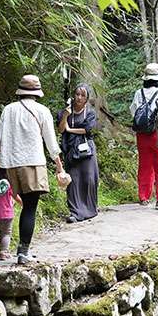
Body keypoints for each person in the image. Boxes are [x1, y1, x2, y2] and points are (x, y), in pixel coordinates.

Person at [0, 74, 66, 264]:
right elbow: (50, 141)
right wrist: (59, 166)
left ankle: (20, 249)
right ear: (37, 93)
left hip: (11, 165)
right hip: (32, 162)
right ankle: (23, 251)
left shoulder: (8, 110)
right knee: (30, 207)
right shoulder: (41, 110)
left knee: (23, 205)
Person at [58, 83, 99, 222]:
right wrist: (65, 116)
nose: (79, 97)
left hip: (86, 149)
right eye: (77, 94)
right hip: (71, 149)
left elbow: (87, 129)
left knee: (88, 179)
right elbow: (61, 129)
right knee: (73, 180)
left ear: (87, 99)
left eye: (83, 95)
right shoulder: (65, 111)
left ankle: (89, 209)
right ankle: (75, 212)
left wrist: (70, 130)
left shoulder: (90, 113)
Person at [129, 63, 158, 210]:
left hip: (141, 134)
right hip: (157, 133)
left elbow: (133, 111)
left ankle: (144, 196)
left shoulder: (138, 93)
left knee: (144, 164)